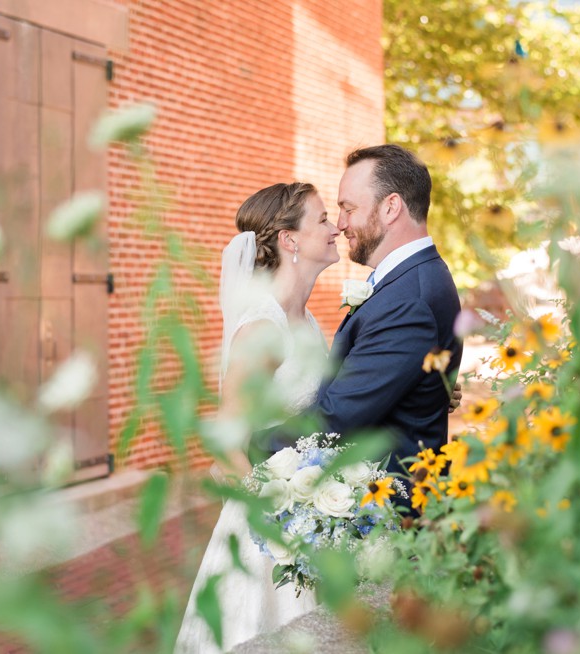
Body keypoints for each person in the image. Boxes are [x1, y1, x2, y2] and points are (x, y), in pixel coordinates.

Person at [174, 182, 337, 653]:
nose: (335, 228)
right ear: (289, 239)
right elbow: (225, 449)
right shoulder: (263, 327)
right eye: (323, 219)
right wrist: (283, 521)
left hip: (310, 514)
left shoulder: (309, 322)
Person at [313, 144, 463, 482]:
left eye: (348, 208)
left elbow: (336, 418)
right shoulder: (410, 279)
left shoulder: (408, 298)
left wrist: (248, 445)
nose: (340, 224)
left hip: (386, 512)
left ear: (391, 207)